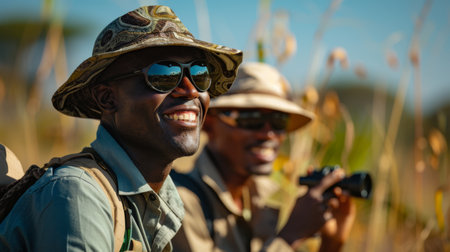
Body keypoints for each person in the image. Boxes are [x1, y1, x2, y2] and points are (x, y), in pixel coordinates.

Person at [0, 5, 242, 251]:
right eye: (164, 75)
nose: (191, 90)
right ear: (107, 98)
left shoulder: (158, 199)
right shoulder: (77, 194)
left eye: (200, 74)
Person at [172, 62, 355, 252]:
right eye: (252, 119)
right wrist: (291, 236)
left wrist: (332, 243)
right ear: (209, 123)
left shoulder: (263, 200)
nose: (269, 134)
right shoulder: (182, 204)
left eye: (279, 121)